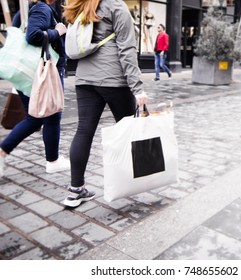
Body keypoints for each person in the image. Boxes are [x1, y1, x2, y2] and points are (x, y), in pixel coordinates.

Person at [63, 0, 148, 207]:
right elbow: (127, 49)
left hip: (84, 79)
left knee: (83, 131)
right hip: (113, 79)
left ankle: (75, 191)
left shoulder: (80, 5)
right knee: (131, 130)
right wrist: (137, 89)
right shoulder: (116, 6)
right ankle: (142, 177)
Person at [0, 0, 69, 179]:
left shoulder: (24, 12)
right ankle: (53, 162)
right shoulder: (42, 8)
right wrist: (58, 31)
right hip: (42, 72)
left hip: (25, 72)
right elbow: (33, 36)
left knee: (35, 119)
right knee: (52, 114)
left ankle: (0, 152)